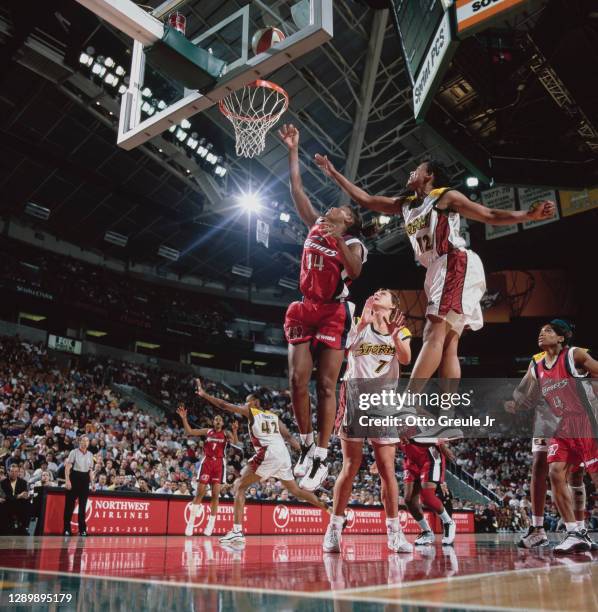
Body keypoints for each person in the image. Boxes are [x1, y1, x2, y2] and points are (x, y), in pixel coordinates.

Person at [315, 154, 555, 439]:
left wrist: (528, 215)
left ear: (429, 176)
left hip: (453, 262)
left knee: (434, 333)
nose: (411, 171)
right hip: (437, 269)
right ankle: (447, 417)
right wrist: (333, 173)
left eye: (417, 168)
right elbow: (366, 199)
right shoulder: (405, 204)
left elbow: (488, 214)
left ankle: (408, 402)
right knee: (449, 342)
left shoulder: (444, 197)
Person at [279, 124, 368, 490]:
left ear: (348, 221)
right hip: (305, 306)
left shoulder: (355, 243)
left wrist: (339, 240)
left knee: (326, 386)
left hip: (334, 312)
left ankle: (321, 451)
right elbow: (297, 189)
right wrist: (293, 150)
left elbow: (356, 271)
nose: (335, 207)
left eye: (343, 209)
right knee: (297, 381)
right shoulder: (316, 225)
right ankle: (304, 444)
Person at [323, 289, 412, 554]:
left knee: (386, 467)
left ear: (392, 305)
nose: (377, 293)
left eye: (384, 293)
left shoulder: (401, 330)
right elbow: (343, 346)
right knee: (350, 465)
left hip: (383, 403)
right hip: (355, 397)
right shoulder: (358, 324)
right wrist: (361, 322)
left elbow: (406, 358)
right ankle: (334, 530)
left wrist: (395, 334)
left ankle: (395, 533)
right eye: (375, 291)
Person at [193, 378, 329, 545]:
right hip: (283, 455)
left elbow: (224, 405)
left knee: (239, 487)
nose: (244, 404)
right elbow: (289, 437)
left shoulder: (253, 412)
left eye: (247, 402)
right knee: (296, 490)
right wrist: (307, 455)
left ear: (255, 402)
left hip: (269, 453)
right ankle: (327, 507)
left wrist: (204, 394)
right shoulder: (273, 416)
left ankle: (236, 532)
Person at [507, 319, 598, 553]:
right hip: (562, 425)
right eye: (540, 331)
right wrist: (517, 402)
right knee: (555, 471)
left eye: (547, 331)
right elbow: (522, 392)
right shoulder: (537, 366)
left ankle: (580, 529)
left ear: (561, 337)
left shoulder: (574, 355)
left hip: (587, 421)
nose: (541, 334)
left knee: (590, 478)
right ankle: (573, 532)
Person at [177, 401, 239, 537]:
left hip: (219, 465)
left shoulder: (226, 433)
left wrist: (235, 431)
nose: (217, 421)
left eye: (219, 420)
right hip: (207, 462)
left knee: (216, 495)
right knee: (200, 493)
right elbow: (189, 431)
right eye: (215, 419)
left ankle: (210, 524)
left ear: (222, 424)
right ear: (213, 422)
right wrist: (184, 418)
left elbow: (235, 444)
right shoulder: (207, 431)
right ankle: (191, 523)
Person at [400, 440, 457, 545]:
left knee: (426, 498)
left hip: (429, 458)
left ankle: (448, 522)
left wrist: (443, 447)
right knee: (408, 499)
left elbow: (436, 434)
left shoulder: (417, 425)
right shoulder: (390, 427)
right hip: (410, 461)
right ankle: (427, 532)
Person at [63, 435, 94, 536]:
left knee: (83, 506)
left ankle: (82, 530)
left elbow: (90, 471)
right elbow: (68, 467)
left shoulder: (90, 454)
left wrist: (92, 483)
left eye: (87, 441)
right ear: (79, 442)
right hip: (75, 477)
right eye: (83, 441)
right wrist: (67, 480)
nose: (85, 442)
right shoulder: (74, 452)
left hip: (85, 480)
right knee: (69, 505)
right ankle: (66, 529)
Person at [1, 464, 30, 534]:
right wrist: (18, 496)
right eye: (12, 471)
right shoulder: (3, 483)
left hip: (19, 504)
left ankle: (24, 527)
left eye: (16, 471)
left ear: (18, 472)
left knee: (27, 504)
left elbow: (24, 494)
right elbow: (5, 497)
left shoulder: (23, 482)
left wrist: (25, 496)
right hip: (7, 504)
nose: (14, 473)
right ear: (8, 472)